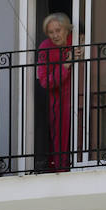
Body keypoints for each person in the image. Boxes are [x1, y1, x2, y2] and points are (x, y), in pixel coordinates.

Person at [36, 12, 76, 172]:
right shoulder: (45, 47)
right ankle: (62, 171)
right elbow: (45, 81)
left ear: (67, 29)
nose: (55, 35)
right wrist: (65, 66)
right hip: (59, 103)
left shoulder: (79, 41)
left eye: (58, 30)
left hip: (82, 97)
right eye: (51, 32)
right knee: (61, 139)